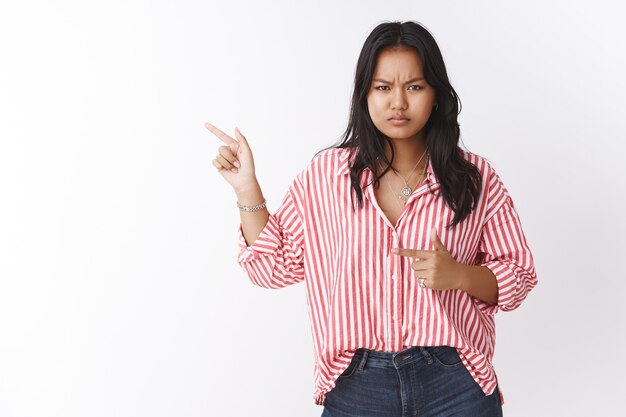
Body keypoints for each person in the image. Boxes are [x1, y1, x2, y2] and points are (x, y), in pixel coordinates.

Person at [208, 20, 538, 417]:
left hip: (454, 383)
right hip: (356, 386)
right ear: (364, 94)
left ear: (436, 95)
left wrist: (460, 275)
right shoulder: (326, 177)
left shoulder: (474, 178)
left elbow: (518, 277)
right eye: (383, 87)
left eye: (414, 87)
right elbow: (272, 268)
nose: (398, 103)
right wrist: (247, 189)